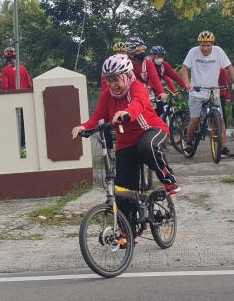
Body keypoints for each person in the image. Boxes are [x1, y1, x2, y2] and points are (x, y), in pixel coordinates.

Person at [71, 54, 181, 198]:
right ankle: (127, 218)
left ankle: (169, 180)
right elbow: (98, 116)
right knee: (122, 192)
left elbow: (138, 103)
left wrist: (127, 112)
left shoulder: (137, 87)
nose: (112, 85)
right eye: (108, 80)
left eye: (116, 79)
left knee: (147, 147)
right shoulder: (107, 95)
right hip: (126, 142)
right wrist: (83, 127)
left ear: (127, 75)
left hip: (150, 130)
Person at [181, 31, 234, 159]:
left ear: (212, 44)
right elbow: (184, 69)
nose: (206, 48)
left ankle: (223, 149)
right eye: (203, 45)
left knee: (220, 120)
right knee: (195, 119)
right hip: (196, 91)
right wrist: (187, 83)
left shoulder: (218, 51)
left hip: (214, 91)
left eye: (208, 45)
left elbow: (229, 67)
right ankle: (189, 142)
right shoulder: (193, 52)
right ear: (199, 44)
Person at [123, 37, 166, 101]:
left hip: (147, 92)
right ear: (130, 53)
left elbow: (155, 78)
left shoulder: (147, 63)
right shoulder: (124, 65)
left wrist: (161, 92)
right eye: (139, 51)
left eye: (143, 50)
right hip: (130, 95)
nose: (142, 52)